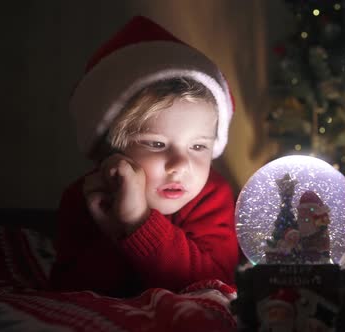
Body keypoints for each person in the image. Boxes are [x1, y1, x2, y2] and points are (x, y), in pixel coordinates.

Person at [50, 16, 239, 296]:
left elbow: (213, 283)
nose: (180, 165)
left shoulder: (213, 196)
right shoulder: (84, 198)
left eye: (198, 147)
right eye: (156, 144)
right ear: (111, 150)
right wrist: (115, 228)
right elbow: (71, 290)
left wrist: (138, 222)